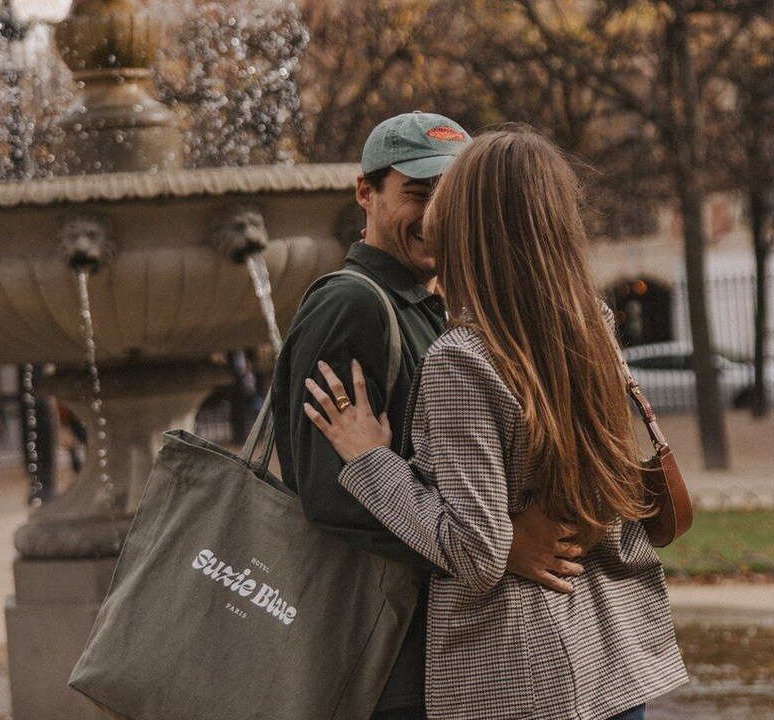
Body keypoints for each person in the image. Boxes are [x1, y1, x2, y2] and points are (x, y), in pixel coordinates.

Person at [303, 127, 688, 720]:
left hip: (524, 676)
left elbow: (476, 550)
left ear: (467, 222)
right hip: (611, 660)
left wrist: (372, 461)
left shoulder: (465, 360)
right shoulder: (592, 324)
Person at [270, 113, 581, 720]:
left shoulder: (436, 305)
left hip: (436, 633)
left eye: (450, 194)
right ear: (365, 192)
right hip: (385, 647)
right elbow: (323, 491)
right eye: (417, 193)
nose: (437, 215)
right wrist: (500, 546)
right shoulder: (352, 305)